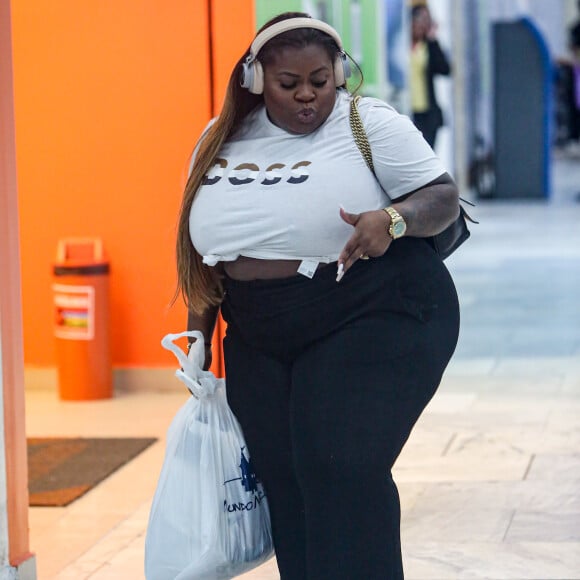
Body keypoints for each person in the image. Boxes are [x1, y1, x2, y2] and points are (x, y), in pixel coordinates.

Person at [175, 11, 460, 579]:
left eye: (319, 80)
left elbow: (443, 198)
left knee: (340, 466)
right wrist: (198, 337)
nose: (307, 95)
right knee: (284, 477)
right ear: (255, 80)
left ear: (338, 74)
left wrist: (393, 220)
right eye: (288, 84)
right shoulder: (218, 137)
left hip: (371, 308)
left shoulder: (367, 122)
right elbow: (204, 247)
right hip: (258, 327)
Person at [409, 3, 451, 148]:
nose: (422, 25)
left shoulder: (427, 46)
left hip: (427, 112)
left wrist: (433, 40)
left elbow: (445, 69)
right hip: (407, 108)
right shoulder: (400, 45)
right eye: (420, 19)